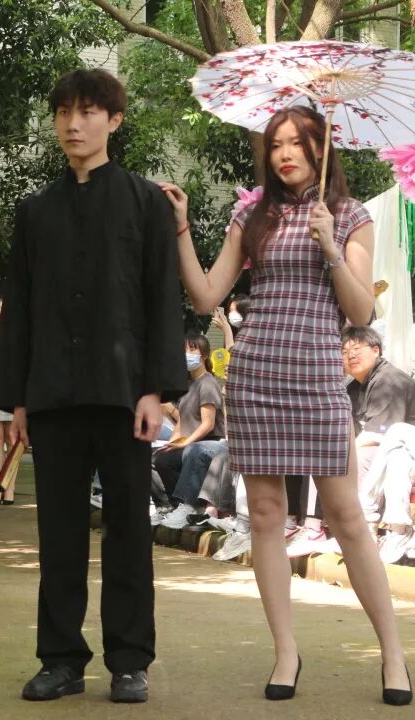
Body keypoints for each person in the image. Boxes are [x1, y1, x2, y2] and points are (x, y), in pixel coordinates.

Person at [161, 105, 411, 705]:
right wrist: (181, 229)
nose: (285, 154)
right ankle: (286, 652)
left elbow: (361, 311)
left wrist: (330, 245)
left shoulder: (348, 216)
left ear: (321, 148)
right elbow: (207, 295)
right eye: (276, 144)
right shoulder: (252, 215)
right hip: (255, 377)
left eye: (298, 142)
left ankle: (393, 654)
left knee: (346, 515)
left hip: (318, 377)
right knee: (268, 516)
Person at [0, 68, 187, 705]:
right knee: (60, 533)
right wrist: (18, 398)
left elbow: (162, 298)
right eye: (64, 113)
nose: (73, 125)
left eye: (88, 112)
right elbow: (19, 308)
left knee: (128, 529)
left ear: (114, 121)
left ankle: (129, 661)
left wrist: (156, 389)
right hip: (53, 395)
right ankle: (61, 659)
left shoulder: (145, 203)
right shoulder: (35, 211)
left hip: (125, 396)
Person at [343, 325, 415, 563]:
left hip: (406, 451)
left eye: (356, 349)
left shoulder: (389, 380)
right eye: (344, 352)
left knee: (368, 453)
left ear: (376, 350)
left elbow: (377, 436)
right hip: (393, 452)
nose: (351, 355)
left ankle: (372, 527)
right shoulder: (353, 388)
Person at [154, 332, 226, 529]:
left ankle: (190, 506)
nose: (186, 354)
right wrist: (173, 442)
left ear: (204, 354)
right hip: (192, 443)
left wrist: (186, 442)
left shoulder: (208, 382)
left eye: (192, 349)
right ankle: (170, 506)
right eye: (184, 350)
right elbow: (182, 422)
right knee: (160, 458)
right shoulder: (187, 385)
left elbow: (208, 424)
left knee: (194, 451)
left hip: (211, 443)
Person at [0, 296, 17, 504]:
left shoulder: (18, 334)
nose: (3, 311)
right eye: (0, 308)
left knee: (11, 440)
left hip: (13, 389)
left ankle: (10, 488)